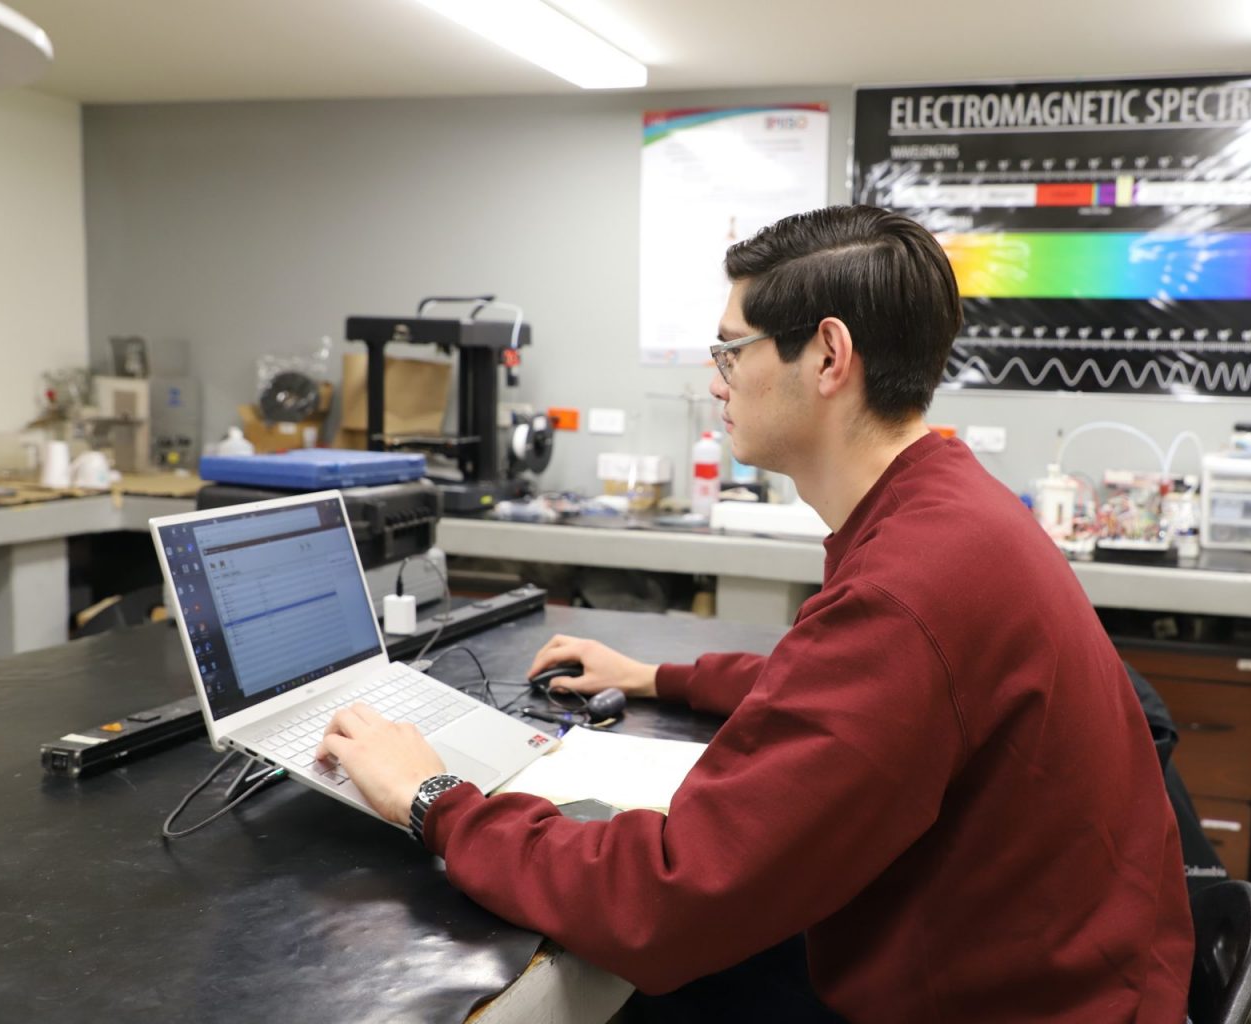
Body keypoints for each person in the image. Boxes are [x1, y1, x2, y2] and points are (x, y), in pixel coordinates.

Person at [318, 204, 1194, 1023]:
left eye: (732, 350)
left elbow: (666, 900)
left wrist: (435, 799)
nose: (718, 379)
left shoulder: (908, 585)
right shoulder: (951, 509)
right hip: (1063, 972)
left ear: (828, 357)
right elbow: (845, 695)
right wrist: (661, 677)